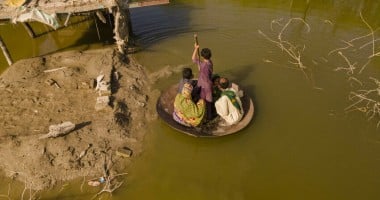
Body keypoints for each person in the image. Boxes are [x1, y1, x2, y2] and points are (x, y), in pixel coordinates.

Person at [192, 43, 213, 120]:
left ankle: (202, 113)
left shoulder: (202, 65)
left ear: (203, 56)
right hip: (209, 83)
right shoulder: (210, 62)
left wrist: (195, 48)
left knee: (203, 99)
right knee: (209, 101)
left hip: (203, 84)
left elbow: (193, 59)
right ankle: (209, 116)